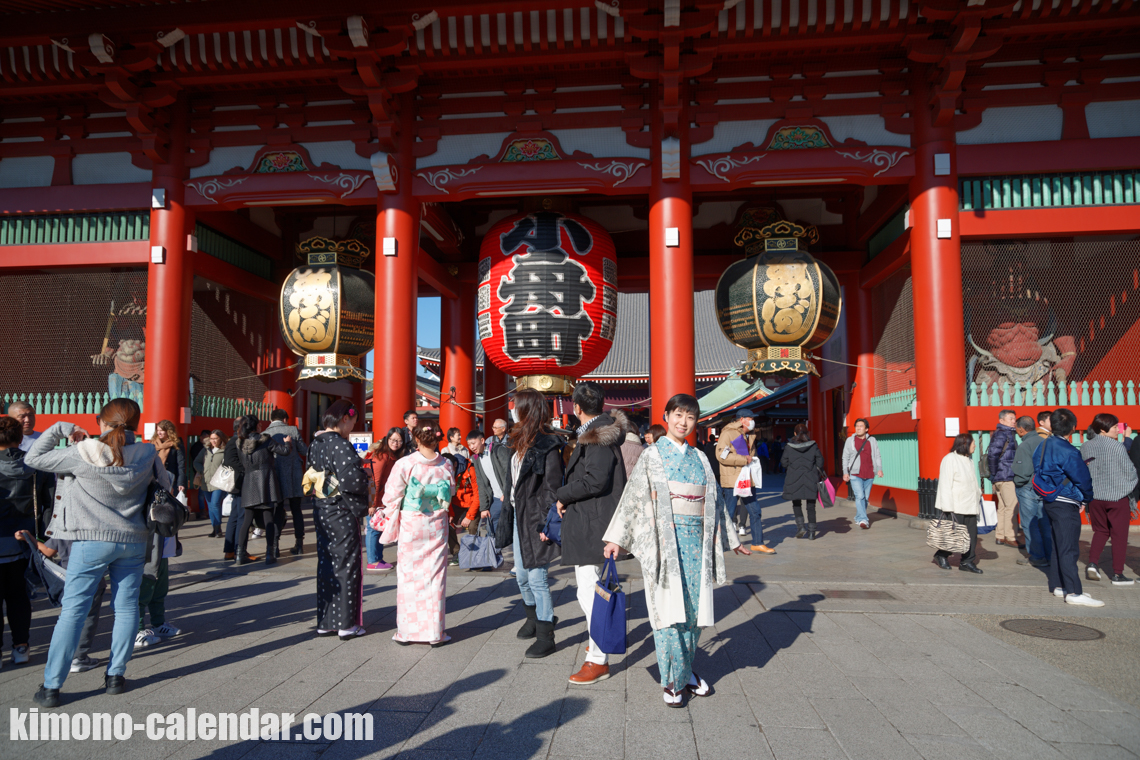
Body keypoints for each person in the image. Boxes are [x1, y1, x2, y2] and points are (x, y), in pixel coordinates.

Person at [604, 393, 750, 708]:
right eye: (678, 415)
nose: (683, 422)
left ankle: (685, 673)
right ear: (667, 416)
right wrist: (617, 537)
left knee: (694, 614)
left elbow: (713, 500)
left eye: (690, 417)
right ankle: (672, 681)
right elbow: (633, 497)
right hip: (663, 545)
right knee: (668, 613)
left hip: (696, 544)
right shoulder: (651, 455)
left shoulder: (699, 458)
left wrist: (733, 540)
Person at [25, 398, 167, 707]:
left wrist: (64, 428)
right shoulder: (146, 453)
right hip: (132, 540)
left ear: (101, 422)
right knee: (128, 608)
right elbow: (165, 486)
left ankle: (52, 687)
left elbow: (34, 458)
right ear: (135, 424)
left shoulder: (82, 453)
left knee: (73, 611)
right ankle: (115, 676)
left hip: (89, 541)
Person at [555, 381, 631, 685]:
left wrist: (562, 494)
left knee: (590, 591)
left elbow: (594, 481)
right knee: (587, 588)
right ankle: (597, 641)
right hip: (592, 519)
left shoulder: (596, 436)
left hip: (592, 522)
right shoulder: (601, 431)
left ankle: (598, 659)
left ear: (576, 407)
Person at [497, 389, 563, 658]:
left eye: (515, 406)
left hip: (535, 518)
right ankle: (533, 617)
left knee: (537, 576)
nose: (512, 410)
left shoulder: (548, 444)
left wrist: (545, 523)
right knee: (521, 575)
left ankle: (547, 633)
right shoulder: (518, 441)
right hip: (516, 515)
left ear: (526, 410)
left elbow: (551, 487)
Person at [379, 421, 455, 646]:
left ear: (417, 439)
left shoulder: (406, 463)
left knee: (408, 577)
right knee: (435, 577)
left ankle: (407, 632)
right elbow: (450, 491)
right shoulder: (446, 464)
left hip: (413, 524)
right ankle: (434, 633)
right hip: (437, 523)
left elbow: (391, 496)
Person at [308, 400, 369, 640]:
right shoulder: (341, 446)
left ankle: (326, 622)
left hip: (322, 507)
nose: (352, 428)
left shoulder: (316, 444)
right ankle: (346, 624)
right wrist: (365, 478)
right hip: (341, 510)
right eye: (352, 423)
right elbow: (352, 481)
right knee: (346, 564)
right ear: (345, 418)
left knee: (326, 563)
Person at [1034, 408, 1099, 606]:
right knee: (1069, 547)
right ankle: (1073, 592)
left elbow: (1037, 467)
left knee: (1057, 544)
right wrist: (1087, 498)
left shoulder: (1042, 446)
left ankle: (1058, 585)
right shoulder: (1069, 451)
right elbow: (1083, 479)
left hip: (1049, 499)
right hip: (1066, 500)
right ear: (1072, 427)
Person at [0, 416, 49, 669]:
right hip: (25, 540)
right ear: (21, 439)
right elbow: (49, 504)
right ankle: (21, 646)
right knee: (19, 597)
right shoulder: (36, 467)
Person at [1080, 414, 1138, 585]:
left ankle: (1092, 563)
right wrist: (1127, 488)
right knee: (1119, 535)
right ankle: (1117, 574)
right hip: (1117, 496)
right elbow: (1130, 471)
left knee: (1101, 531)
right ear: (1103, 429)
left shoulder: (1086, 446)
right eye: (1114, 427)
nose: (1117, 431)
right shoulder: (1117, 447)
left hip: (1095, 496)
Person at [234, 415, 292, 566]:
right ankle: (269, 554)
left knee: (247, 521)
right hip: (266, 482)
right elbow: (284, 451)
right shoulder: (265, 440)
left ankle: (239, 554)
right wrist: (287, 443)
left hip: (249, 482)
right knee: (268, 519)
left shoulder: (239, 443)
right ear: (257, 426)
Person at [716, 410, 773, 553]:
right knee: (729, 512)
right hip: (732, 479)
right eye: (750, 418)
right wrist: (743, 460)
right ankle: (724, 542)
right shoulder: (727, 433)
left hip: (747, 478)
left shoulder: (750, 435)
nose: (753, 421)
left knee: (755, 511)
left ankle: (757, 542)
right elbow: (721, 455)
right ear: (742, 419)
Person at [931, 434, 984, 573]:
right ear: (965, 444)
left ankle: (967, 561)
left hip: (970, 504)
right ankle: (941, 555)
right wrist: (948, 508)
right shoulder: (950, 459)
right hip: (956, 505)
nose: (975, 446)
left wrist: (978, 493)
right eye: (973, 443)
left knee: (972, 535)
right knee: (952, 535)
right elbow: (945, 484)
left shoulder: (969, 459)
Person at [265, 409, 308, 556]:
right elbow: (303, 450)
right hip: (294, 474)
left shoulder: (265, 433)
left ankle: (275, 546)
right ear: (285, 419)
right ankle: (299, 544)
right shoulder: (292, 430)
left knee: (277, 510)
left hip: (276, 476)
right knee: (296, 509)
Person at [1012, 413, 1052, 567]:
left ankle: (1036, 556)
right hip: (1044, 487)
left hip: (1028, 487)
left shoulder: (1025, 445)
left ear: (1021, 430)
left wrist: (1018, 482)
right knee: (1044, 523)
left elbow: (1023, 471)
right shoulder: (1045, 442)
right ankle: (1049, 555)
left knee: (1030, 524)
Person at [363, 427, 402, 572]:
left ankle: (378, 558)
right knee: (373, 528)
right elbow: (375, 480)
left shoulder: (391, 455)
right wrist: (372, 503)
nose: (396, 443)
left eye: (399, 440)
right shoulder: (382, 455)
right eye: (393, 440)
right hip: (376, 498)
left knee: (378, 528)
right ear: (387, 439)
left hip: (382, 499)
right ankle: (372, 561)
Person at [781, 424, 824, 540]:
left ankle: (801, 527)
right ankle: (812, 532)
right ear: (807, 433)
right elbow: (820, 461)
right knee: (811, 506)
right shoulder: (813, 446)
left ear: (794, 433)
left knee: (796, 504)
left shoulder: (789, 447)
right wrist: (814, 470)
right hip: (811, 477)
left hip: (794, 478)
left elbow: (784, 463)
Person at [986, 409, 1022, 549]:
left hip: (1001, 476)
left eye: (1014, 418)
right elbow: (992, 455)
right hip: (1006, 476)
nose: (1014, 421)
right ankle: (1010, 536)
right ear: (1001, 421)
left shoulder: (1004, 433)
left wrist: (995, 476)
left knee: (1002, 507)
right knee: (1011, 507)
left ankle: (1000, 536)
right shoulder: (1004, 434)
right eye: (1011, 418)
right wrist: (995, 474)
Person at [841, 418, 883, 530]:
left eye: (861, 426)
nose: (858, 428)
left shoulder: (872, 440)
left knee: (865, 498)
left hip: (869, 473)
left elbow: (877, 455)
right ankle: (863, 520)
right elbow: (845, 457)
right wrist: (845, 472)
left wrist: (879, 468)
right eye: (857, 426)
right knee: (860, 496)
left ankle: (859, 516)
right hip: (855, 474)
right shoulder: (850, 440)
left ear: (866, 429)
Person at [450, 429, 484, 557]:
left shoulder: (471, 470)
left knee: (472, 527)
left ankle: (474, 555)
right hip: (457, 502)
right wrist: (451, 515)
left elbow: (478, 494)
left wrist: (469, 516)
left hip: (472, 502)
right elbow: (448, 495)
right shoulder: (448, 469)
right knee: (448, 524)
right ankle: (456, 553)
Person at [221, 417, 251, 562]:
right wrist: (246, 470)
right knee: (241, 517)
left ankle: (230, 551)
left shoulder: (235, 441)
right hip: (239, 483)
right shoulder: (235, 442)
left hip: (237, 483)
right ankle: (239, 550)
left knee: (234, 516)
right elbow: (230, 461)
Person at [474, 428, 507, 540]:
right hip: (496, 499)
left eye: (474, 443)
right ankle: (494, 557)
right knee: (491, 531)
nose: (472, 447)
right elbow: (481, 484)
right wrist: (484, 508)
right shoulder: (477, 459)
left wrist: (507, 492)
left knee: (514, 531)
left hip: (509, 496)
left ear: (482, 441)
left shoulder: (498, 450)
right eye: (469, 444)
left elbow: (509, 472)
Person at [196, 430, 228, 538]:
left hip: (218, 482)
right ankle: (214, 528)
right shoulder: (206, 450)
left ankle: (218, 528)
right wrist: (202, 471)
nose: (213, 441)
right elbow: (196, 462)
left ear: (221, 439)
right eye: (211, 438)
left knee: (215, 504)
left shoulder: (225, 451)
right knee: (210, 506)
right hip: (206, 482)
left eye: (215, 438)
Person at [151, 420, 187, 503]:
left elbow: (180, 465)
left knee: (170, 503)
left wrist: (180, 483)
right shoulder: (153, 444)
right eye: (158, 430)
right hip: (155, 478)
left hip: (171, 479)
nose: (159, 433)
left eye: (162, 430)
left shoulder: (176, 444)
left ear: (168, 431)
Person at [188, 428, 209, 516]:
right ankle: (202, 510)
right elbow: (196, 461)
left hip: (209, 472)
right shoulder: (197, 447)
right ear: (202, 437)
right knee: (201, 493)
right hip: (200, 473)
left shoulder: (210, 447)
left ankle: (207, 510)